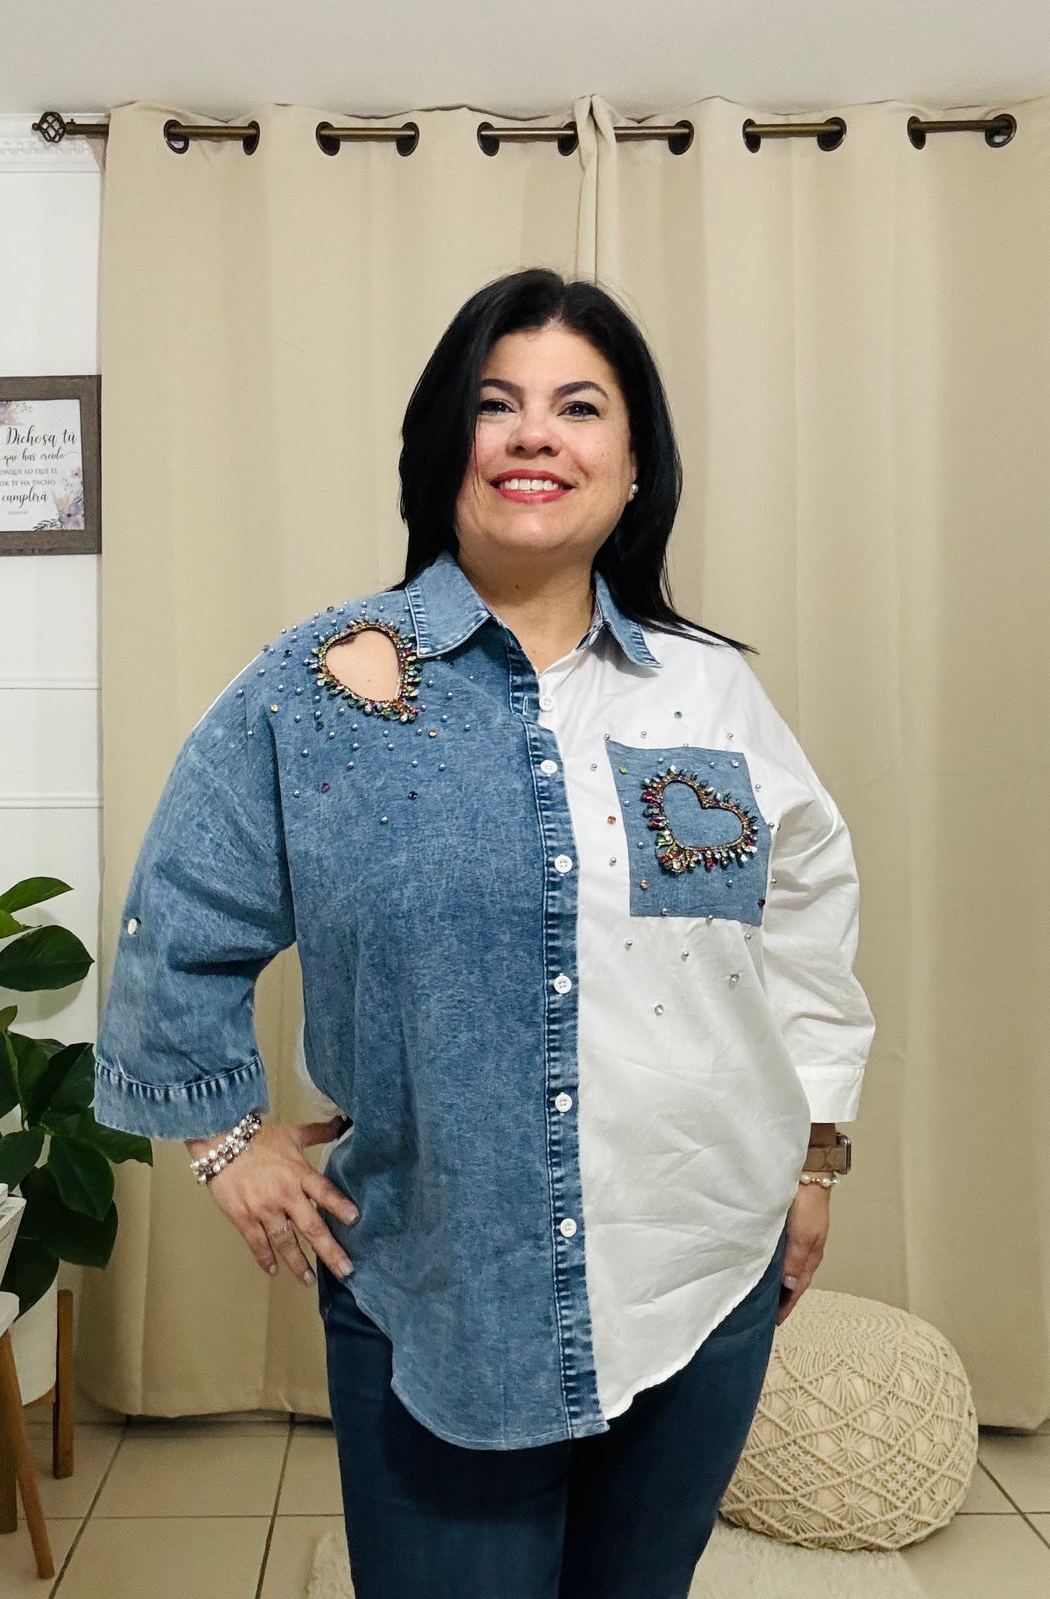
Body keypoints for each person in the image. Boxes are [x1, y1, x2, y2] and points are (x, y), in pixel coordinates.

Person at [94, 267, 874, 1598]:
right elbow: (185, 912)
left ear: (633, 468)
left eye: (579, 406)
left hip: (702, 1267)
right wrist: (223, 1143)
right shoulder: (320, 686)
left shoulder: (711, 694)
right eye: (495, 404)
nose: (534, 434)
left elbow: (799, 929)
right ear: (442, 447)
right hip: (442, 1290)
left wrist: (813, 1164)